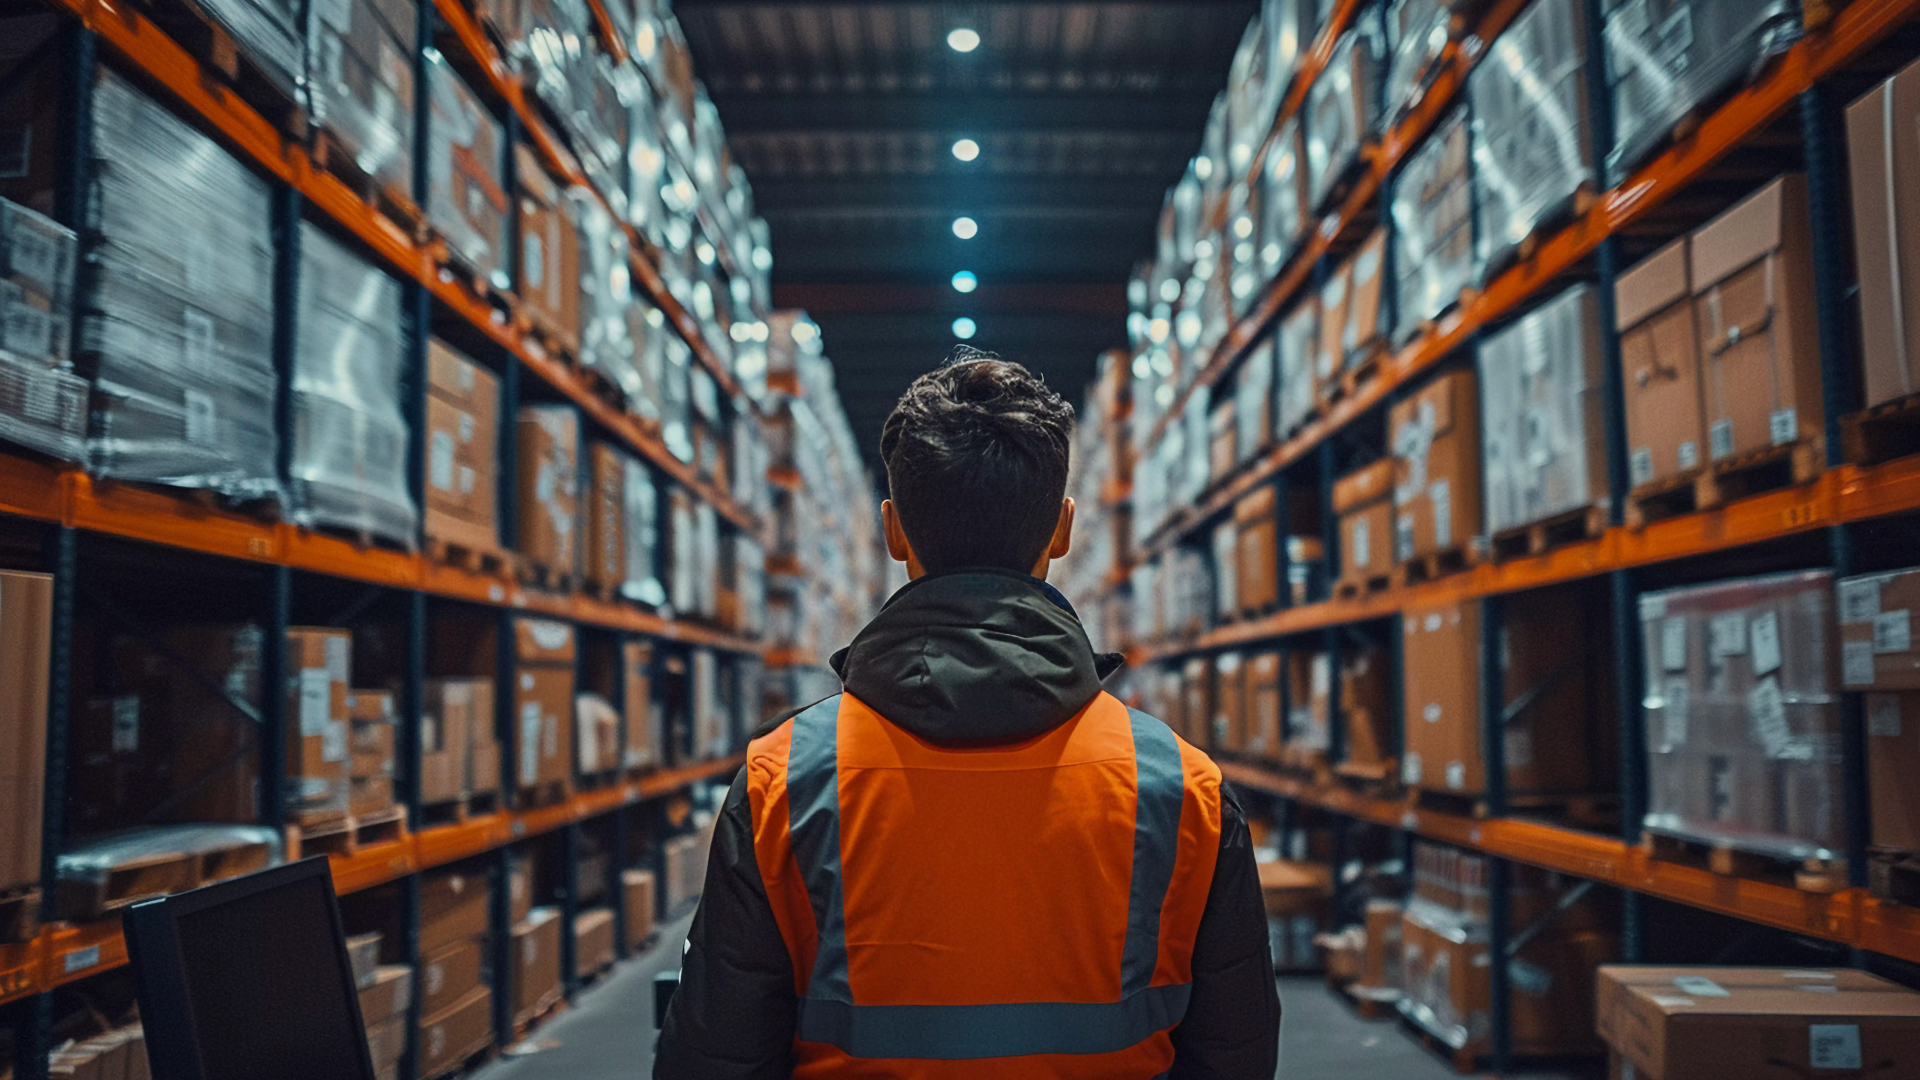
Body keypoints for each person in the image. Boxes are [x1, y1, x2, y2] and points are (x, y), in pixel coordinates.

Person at [656, 353, 1279, 1078]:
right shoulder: (1184, 790)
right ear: (1062, 530)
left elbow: (715, 1061)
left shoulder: (782, 782)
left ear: (894, 532)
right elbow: (1235, 1056)